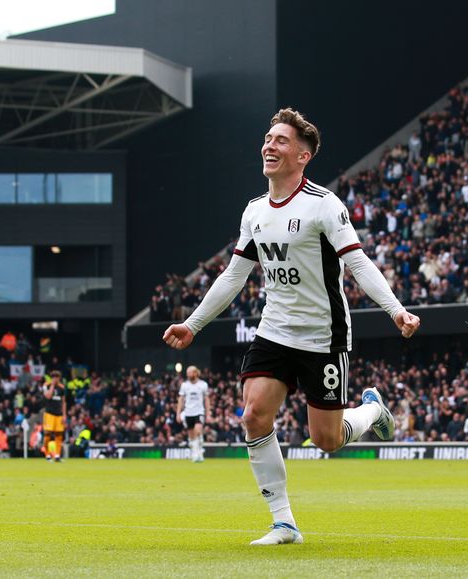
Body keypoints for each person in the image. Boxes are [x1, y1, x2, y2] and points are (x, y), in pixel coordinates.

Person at [162, 108, 421, 545]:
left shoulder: (324, 205)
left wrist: (396, 309)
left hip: (324, 335)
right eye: (267, 138)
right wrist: (193, 324)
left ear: (303, 156)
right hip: (275, 329)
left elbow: (356, 261)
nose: (269, 145)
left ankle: (373, 410)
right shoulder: (254, 211)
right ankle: (283, 522)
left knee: (326, 440)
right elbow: (234, 276)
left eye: (280, 140)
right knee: (255, 413)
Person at [177, 365, 210, 462]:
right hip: (188, 413)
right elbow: (180, 400)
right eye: (187, 373)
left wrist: (208, 413)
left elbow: (206, 399)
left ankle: (199, 452)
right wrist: (178, 413)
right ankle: (196, 454)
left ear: (195, 373)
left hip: (199, 412)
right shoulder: (184, 385)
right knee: (191, 436)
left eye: (190, 372)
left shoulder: (203, 384)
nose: (188, 374)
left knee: (198, 431)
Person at [41, 371, 67, 462]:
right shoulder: (46, 385)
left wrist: (64, 415)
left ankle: (57, 456)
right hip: (49, 413)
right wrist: (52, 385)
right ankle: (47, 455)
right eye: (54, 377)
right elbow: (48, 396)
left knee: (59, 435)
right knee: (47, 434)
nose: (56, 379)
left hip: (58, 414)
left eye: (57, 377)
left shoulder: (62, 388)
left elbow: (63, 402)